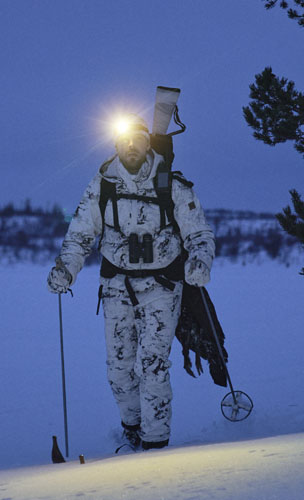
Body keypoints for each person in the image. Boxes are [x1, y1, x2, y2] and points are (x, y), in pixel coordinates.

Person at [47, 113, 215, 450]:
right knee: (119, 369)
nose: (131, 146)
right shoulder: (103, 184)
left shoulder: (172, 185)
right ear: (115, 144)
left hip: (162, 287)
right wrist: (66, 269)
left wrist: (199, 261)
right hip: (116, 287)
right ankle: (133, 431)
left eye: (137, 139)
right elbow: (81, 233)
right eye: (124, 140)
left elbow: (199, 233)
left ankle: (155, 445)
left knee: (152, 365)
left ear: (147, 142)